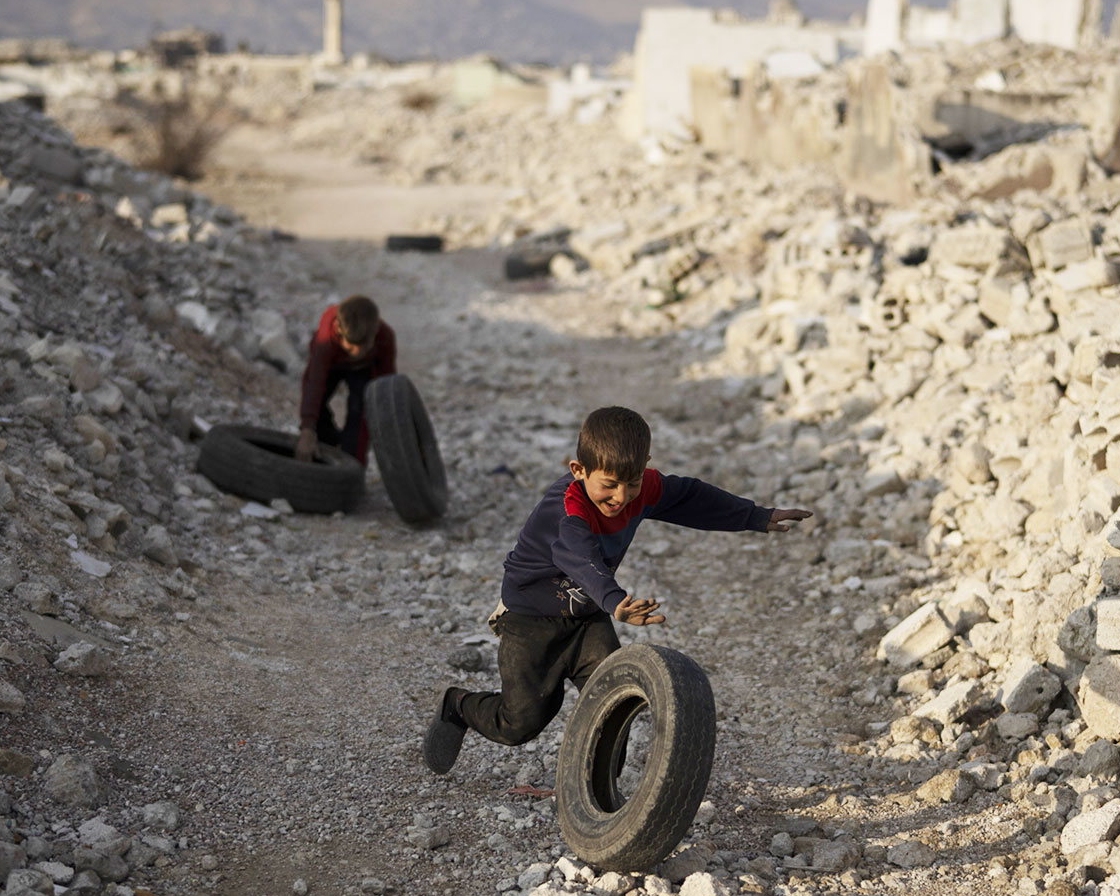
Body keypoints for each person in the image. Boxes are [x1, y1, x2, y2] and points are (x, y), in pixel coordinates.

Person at [421, 406, 812, 774]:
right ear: (579, 470)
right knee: (521, 722)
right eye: (608, 485)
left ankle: (600, 809)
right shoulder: (566, 510)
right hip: (530, 620)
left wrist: (757, 516)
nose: (621, 497)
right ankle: (457, 705)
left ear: (645, 468)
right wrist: (615, 602)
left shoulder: (639, 489)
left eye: (632, 483)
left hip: (587, 619)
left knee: (612, 705)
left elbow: (691, 498)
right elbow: (579, 557)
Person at [295, 295, 397, 463]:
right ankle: (326, 444)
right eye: (352, 346)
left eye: (365, 345)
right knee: (316, 406)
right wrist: (307, 429)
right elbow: (314, 383)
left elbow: (387, 385)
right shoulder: (326, 338)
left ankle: (352, 462)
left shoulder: (385, 337)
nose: (358, 352)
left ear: (376, 331)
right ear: (339, 330)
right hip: (333, 364)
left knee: (361, 411)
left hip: (363, 370)